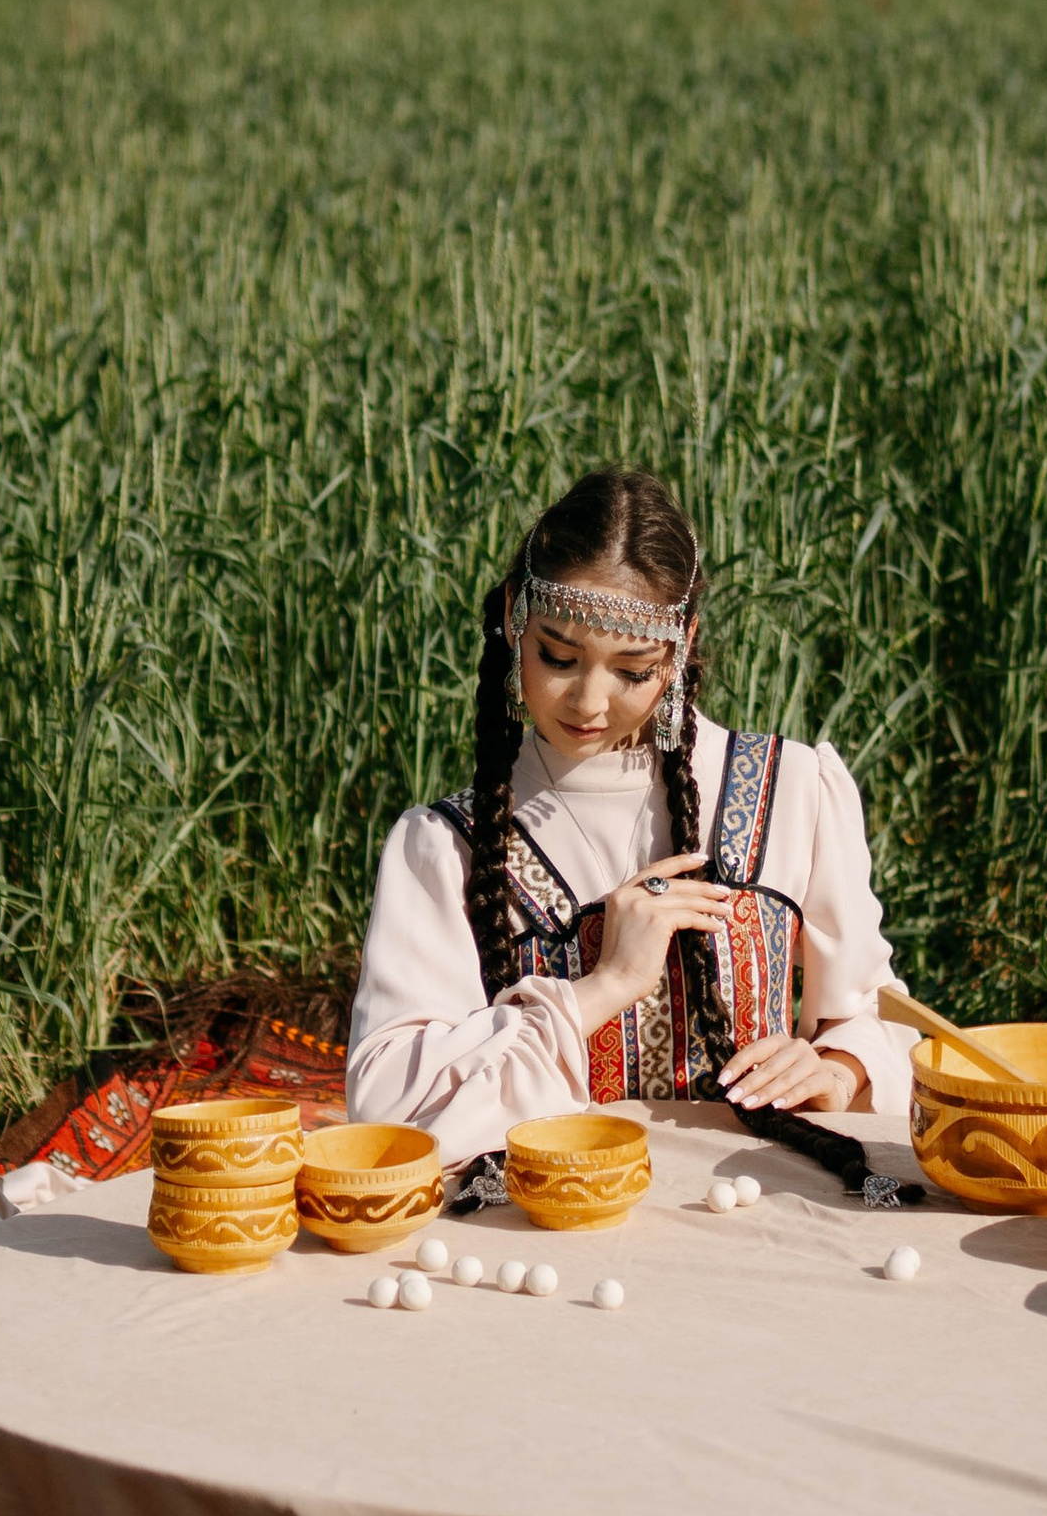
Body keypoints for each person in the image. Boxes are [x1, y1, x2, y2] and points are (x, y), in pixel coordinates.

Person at [345, 466, 917, 1200]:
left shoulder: (793, 789)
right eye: (557, 657)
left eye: (632, 669)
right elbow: (387, 1106)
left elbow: (879, 1012)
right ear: (516, 616)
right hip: (550, 1226)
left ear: (680, 650)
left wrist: (843, 1067)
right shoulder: (445, 845)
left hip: (764, 1224)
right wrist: (603, 986)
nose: (589, 700)